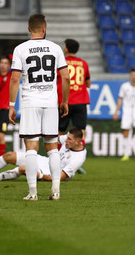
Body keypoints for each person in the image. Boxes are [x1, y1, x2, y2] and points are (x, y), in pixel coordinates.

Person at [9, 13, 70, 201]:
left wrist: (11, 105)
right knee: (52, 148)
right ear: (44, 29)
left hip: (29, 103)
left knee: (31, 149)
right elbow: (66, 77)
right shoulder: (55, 48)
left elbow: (14, 79)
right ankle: (56, 191)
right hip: (50, 103)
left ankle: (33, 192)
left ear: (29, 29)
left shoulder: (20, 49)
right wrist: (64, 101)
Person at [0, 127, 86, 182]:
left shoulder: (78, 159)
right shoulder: (68, 140)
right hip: (46, 161)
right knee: (9, 155)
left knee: (23, 169)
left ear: (77, 142)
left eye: (69, 139)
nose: (66, 141)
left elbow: (59, 177)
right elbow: (54, 139)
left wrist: (40, 176)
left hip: (52, 172)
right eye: (67, 138)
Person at [57, 39, 90, 174]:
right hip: (80, 101)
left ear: (65, 49)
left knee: (60, 132)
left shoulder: (60, 62)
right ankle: (78, 161)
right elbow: (88, 83)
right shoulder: (84, 64)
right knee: (80, 132)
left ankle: (59, 160)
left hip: (65, 101)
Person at [113, 68, 135, 162]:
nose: (134, 76)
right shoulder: (124, 86)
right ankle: (126, 154)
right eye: (132, 75)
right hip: (127, 112)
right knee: (125, 133)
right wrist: (116, 111)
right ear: (130, 76)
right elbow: (120, 99)